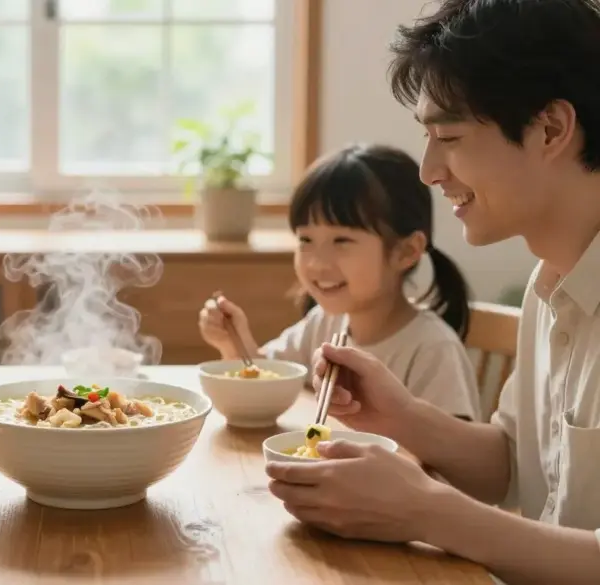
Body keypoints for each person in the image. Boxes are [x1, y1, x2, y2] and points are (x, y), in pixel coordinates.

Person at [264, 1, 600, 583]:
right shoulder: (550, 290)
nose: (428, 170)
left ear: (550, 129)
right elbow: (512, 466)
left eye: (448, 135)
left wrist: (425, 510)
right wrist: (402, 417)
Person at [198, 143, 480, 420]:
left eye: (341, 240)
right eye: (306, 240)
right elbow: (267, 383)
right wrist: (233, 342)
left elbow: (455, 459)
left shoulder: (432, 349)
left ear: (406, 251)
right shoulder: (322, 323)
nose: (317, 263)